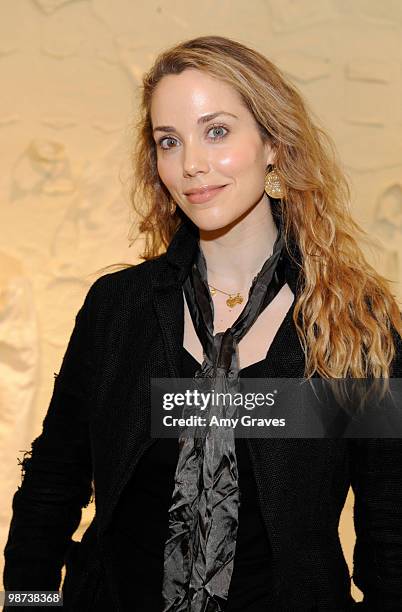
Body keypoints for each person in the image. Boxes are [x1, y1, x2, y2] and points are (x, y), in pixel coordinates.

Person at [3, 35, 402, 612]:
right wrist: (29, 606)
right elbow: (52, 484)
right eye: (170, 141)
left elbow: (392, 539)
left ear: (272, 144)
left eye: (217, 131)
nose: (191, 164)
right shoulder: (119, 308)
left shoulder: (353, 323)